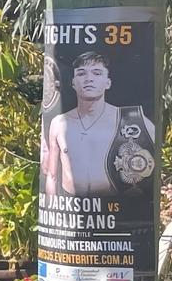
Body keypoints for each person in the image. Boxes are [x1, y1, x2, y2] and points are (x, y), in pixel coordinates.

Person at [45, 50, 156, 197]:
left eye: (96, 73)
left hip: (113, 209)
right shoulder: (59, 123)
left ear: (108, 83)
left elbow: (152, 169)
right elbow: (51, 176)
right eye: (81, 73)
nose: (88, 79)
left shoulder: (130, 120)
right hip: (71, 209)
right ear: (73, 82)